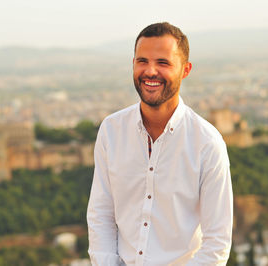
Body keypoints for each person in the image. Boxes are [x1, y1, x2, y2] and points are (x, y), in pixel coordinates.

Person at [87, 22, 233, 265]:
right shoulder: (111, 131)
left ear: (185, 70)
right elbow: (101, 215)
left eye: (163, 63)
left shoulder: (207, 144)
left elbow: (217, 243)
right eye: (142, 61)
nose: (150, 71)